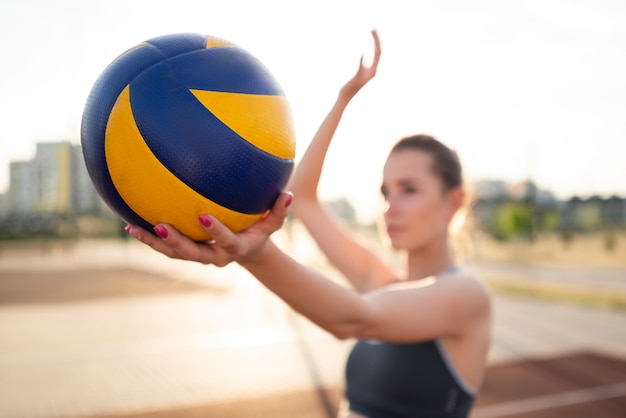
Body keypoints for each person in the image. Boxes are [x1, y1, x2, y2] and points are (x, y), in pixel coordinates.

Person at [126, 29, 492, 418]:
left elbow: (352, 318)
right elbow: (302, 194)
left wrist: (254, 253)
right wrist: (343, 99)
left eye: (409, 190)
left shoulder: (466, 296)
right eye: (385, 192)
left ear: (454, 202)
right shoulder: (381, 285)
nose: (390, 206)